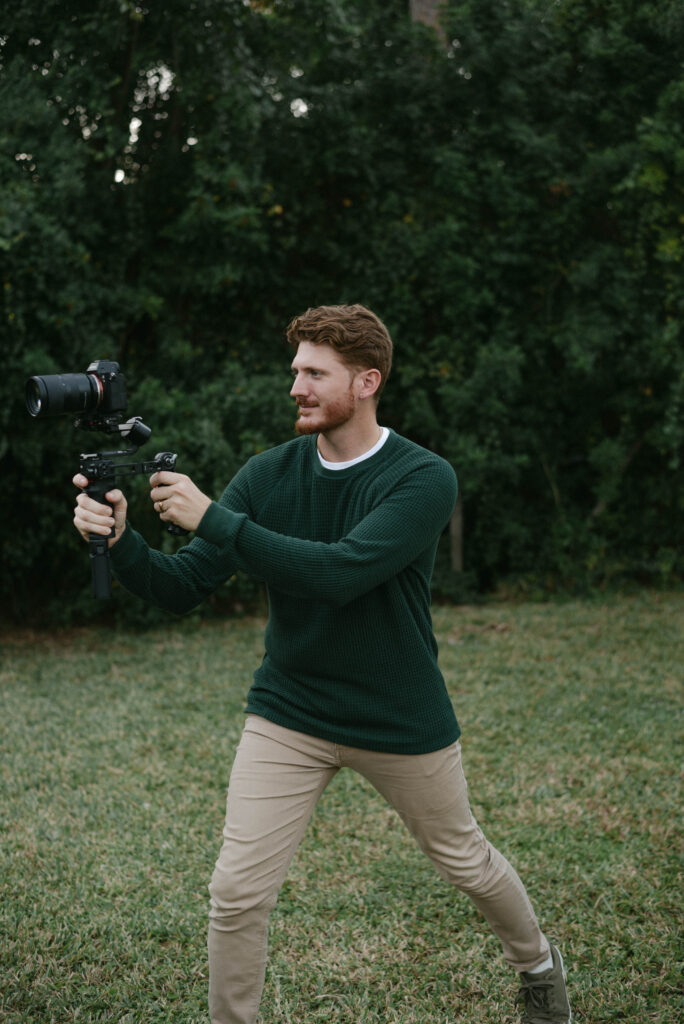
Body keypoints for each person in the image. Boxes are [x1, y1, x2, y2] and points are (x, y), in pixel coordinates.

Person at [73, 304, 572, 1024]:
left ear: (367, 382)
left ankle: (538, 966)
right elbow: (181, 587)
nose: (296, 387)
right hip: (291, 710)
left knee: (465, 859)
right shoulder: (269, 473)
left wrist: (214, 518)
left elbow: (341, 573)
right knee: (236, 893)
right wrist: (122, 540)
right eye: (295, 371)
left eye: (315, 373)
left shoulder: (423, 477)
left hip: (396, 714)